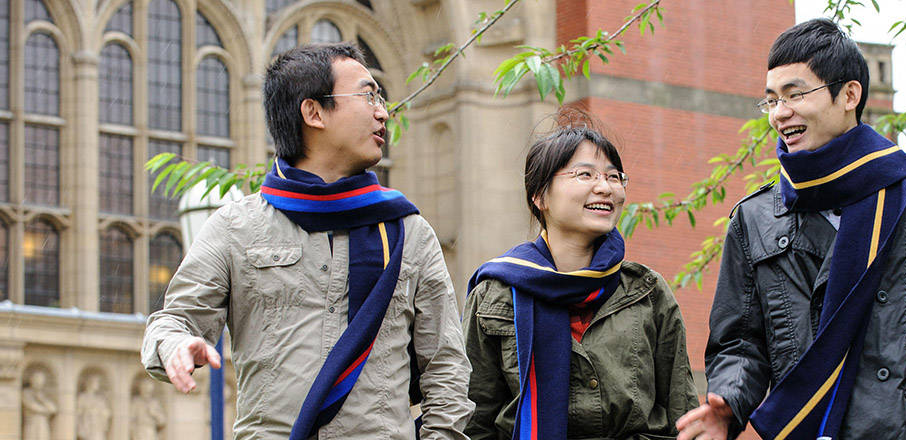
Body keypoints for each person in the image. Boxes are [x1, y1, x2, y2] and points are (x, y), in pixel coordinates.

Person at [676, 19, 906, 440]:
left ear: (849, 95)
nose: (781, 113)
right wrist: (728, 402)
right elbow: (740, 344)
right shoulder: (754, 218)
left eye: (796, 94)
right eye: (772, 100)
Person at [141, 42, 472, 439]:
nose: (382, 112)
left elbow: (446, 368)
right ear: (314, 112)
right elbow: (175, 319)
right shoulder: (235, 227)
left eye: (379, 98)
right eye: (368, 95)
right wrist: (174, 345)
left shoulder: (407, 231)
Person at [463, 117, 699, 440]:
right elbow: (474, 422)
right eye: (585, 174)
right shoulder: (497, 295)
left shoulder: (647, 292)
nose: (605, 187)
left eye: (614, 177)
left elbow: (682, 415)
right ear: (540, 196)